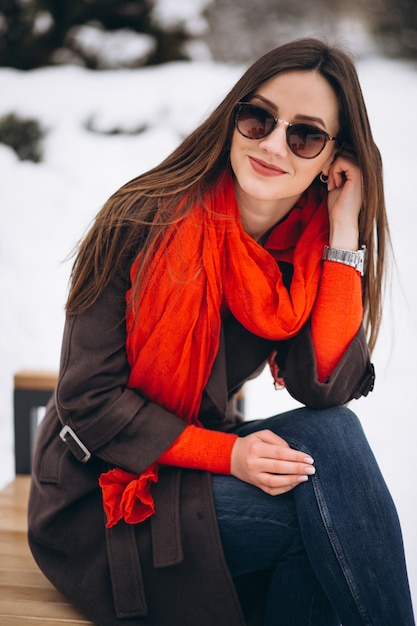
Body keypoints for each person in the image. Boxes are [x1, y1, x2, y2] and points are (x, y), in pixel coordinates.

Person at [28, 37, 415, 626]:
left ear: (333, 159)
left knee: (334, 433)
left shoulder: (298, 257)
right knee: (320, 520)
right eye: (258, 117)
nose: (272, 143)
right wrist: (228, 453)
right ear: (234, 117)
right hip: (100, 492)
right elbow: (88, 399)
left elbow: (324, 387)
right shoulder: (139, 218)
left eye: (305, 135)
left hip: (191, 470)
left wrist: (343, 232)